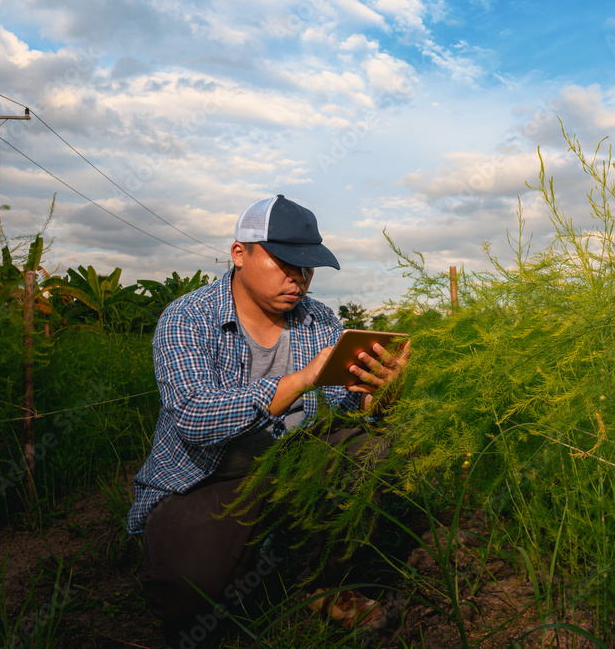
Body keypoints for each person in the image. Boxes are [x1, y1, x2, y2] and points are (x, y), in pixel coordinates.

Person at [127, 194, 410, 648]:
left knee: (366, 448)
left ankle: (322, 579)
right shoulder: (187, 317)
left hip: (296, 464)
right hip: (210, 475)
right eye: (284, 263)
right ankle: (258, 557)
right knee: (189, 599)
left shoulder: (320, 320)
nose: (298, 279)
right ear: (239, 254)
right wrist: (299, 381)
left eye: (307, 268)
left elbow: (346, 410)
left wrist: (381, 393)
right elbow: (195, 417)